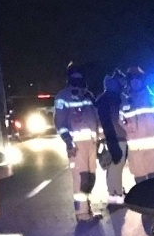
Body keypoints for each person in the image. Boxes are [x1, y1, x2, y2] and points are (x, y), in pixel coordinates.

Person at [54, 64, 101, 221]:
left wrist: (101, 141)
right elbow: (60, 123)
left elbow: (96, 119)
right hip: (76, 146)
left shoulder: (87, 95)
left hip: (92, 145)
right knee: (81, 179)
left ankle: (87, 210)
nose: (79, 78)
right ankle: (82, 214)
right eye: (75, 75)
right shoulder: (63, 97)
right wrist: (68, 141)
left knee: (90, 178)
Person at [95, 72, 129, 206]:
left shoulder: (103, 99)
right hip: (116, 137)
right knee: (117, 166)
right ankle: (117, 195)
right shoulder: (114, 98)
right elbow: (114, 120)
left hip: (110, 137)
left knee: (113, 166)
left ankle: (114, 193)